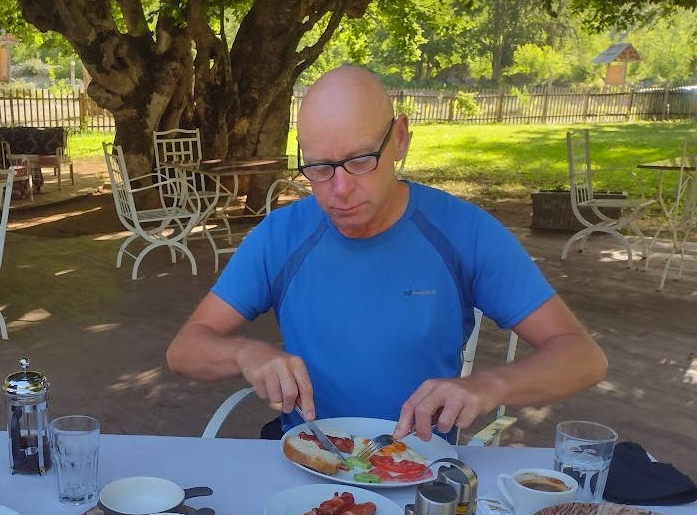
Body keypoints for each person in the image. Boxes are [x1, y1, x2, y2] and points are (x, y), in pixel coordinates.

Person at [167, 66, 608, 442]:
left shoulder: (463, 231)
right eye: (319, 167)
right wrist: (248, 355)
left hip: (419, 468)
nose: (339, 190)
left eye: (360, 160)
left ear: (399, 138)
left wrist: (488, 385)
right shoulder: (281, 235)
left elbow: (582, 356)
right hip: (310, 462)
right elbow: (184, 350)